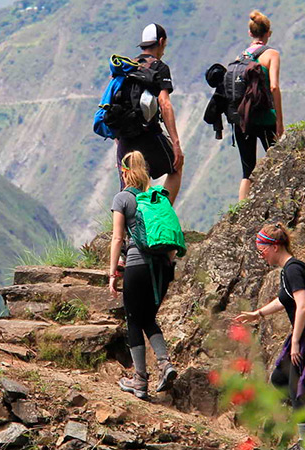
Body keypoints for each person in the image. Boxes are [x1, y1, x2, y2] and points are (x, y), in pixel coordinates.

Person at [236, 223, 305, 449]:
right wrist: (257, 314)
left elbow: (302, 306)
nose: (261, 256)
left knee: (294, 387)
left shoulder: (293, 269)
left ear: (275, 247)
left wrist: (296, 342)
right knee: (279, 380)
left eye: (262, 251)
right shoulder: (289, 270)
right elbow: (284, 300)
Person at [109, 151, 177, 399]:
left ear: (124, 172)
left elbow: (118, 238)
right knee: (147, 317)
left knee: (133, 319)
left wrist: (112, 272)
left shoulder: (122, 198)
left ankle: (139, 380)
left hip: (137, 265)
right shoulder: (158, 198)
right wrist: (167, 266)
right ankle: (165, 364)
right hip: (162, 267)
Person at [116, 23, 184, 204]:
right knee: (176, 166)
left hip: (124, 138)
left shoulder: (127, 67)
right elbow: (165, 104)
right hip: (149, 134)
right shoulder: (159, 67)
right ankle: (161, 214)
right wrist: (176, 143)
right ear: (161, 42)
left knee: (129, 188)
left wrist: (118, 139)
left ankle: (127, 222)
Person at [236, 10, 284, 201]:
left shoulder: (241, 57)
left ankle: (240, 213)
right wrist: (279, 121)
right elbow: (274, 86)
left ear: (250, 33)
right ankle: (278, 201)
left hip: (242, 118)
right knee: (279, 161)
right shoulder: (272, 54)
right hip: (265, 118)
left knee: (247, 171)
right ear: (268, 33)